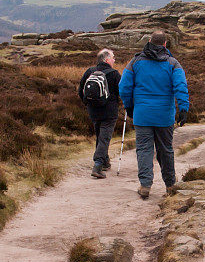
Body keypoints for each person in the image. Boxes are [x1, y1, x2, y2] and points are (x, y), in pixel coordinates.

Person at [118, 30, 189, 198]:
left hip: (142, 114)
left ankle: (145, 186)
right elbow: (181, 86)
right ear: (165, 44)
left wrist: (129, 107)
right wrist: (184, 108)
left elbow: (124, 87)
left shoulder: (135, 62)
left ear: (149, 41)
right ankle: (170, 185)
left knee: (144, 150)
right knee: (165, 150)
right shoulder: (173, 63)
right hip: (164, 116)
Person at [78, 48, 121, 179]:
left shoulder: (90, 71)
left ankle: (105, 162)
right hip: (109, 112)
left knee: (100, 136)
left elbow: (81, 90)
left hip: (93, 110)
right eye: (113, 57)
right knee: (104, 138)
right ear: (107, 59)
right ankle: (97, 165)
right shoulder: (114, 74)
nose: (114, 60)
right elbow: (121, 92)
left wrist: (87, 103)